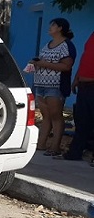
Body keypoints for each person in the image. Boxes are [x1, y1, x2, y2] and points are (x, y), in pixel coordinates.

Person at [30, 18, 76, 156]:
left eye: (53, 25)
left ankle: (55, 146)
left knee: (56, 116)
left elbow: (66, 66)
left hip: (55, 86)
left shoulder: (66, 45)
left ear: (60, 28)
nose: (50, 28)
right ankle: (42, 144)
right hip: (41, 84)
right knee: (46, 116)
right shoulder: (48, 44)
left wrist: (44, 64)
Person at [59, 31, 94, 163]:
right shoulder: (92, 35)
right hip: (84, 84)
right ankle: (75, 152)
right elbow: (86, 58)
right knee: (82, 121)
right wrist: (76, 78)